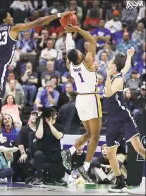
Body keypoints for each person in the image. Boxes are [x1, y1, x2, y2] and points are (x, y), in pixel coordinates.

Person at [0, 8, 74, 150]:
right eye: (10, 16)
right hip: (0, 69)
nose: (12, 18)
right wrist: (59, 15)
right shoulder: (14, 29)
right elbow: (38, 21)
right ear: (5, 19)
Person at [61, 24, 102, 183]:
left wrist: (69, 34)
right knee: (96, 135)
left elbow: (69, 49)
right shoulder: (88, 62)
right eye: (80, 52)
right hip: (91, 98)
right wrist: (77, 29)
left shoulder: (70, 66)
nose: (81, 51)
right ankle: (85, 167)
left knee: (89, 134)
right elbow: (91, 40)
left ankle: (70, 151)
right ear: (79, 57)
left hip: (80, 100)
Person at [103, 47, 146, 193]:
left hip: (124, 118)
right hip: (112, 120)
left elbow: (109, 93)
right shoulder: (119, 73)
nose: (108, 63)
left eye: (111, 62)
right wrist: (129, 56)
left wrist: (108, 76)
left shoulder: (118, 79)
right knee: (110, 153)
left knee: (139, 148)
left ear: (114, 67)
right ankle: (120, 181)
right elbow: (126, 66)